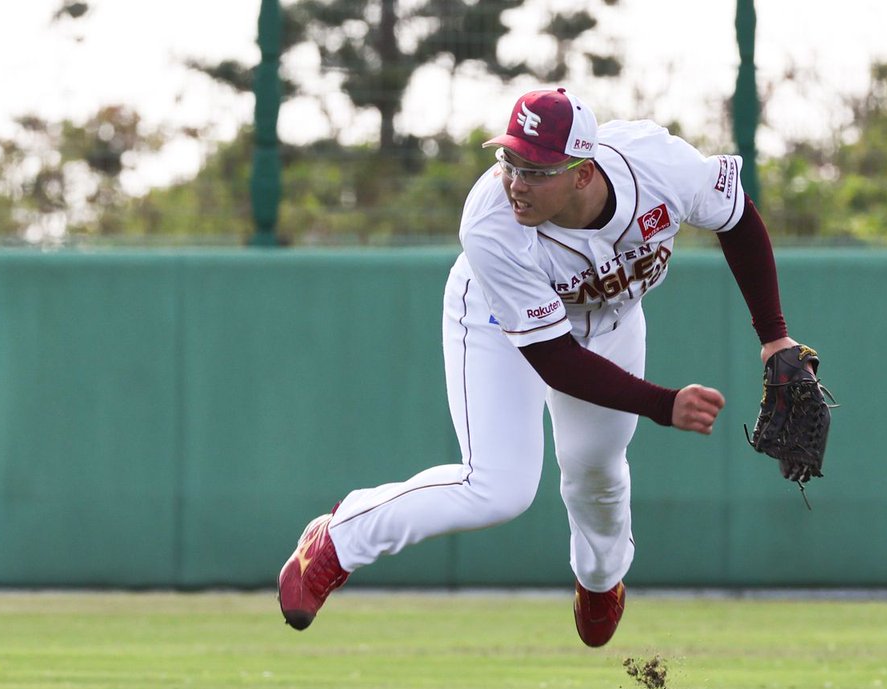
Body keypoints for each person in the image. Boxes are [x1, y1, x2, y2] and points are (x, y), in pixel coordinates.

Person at [278, 87, 805, 647]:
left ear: (582, 173)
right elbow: (556, 360)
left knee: (595, 467)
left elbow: (736, 219)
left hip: (612, 319)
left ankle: (600, 581)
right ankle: (338, 540)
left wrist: (774, 338)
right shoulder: (491, 224)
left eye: (536, 171)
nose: (516, 182)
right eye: (510, 161)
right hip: (494, 319)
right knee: (497, 489)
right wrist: (662, 403)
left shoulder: (658, 166)